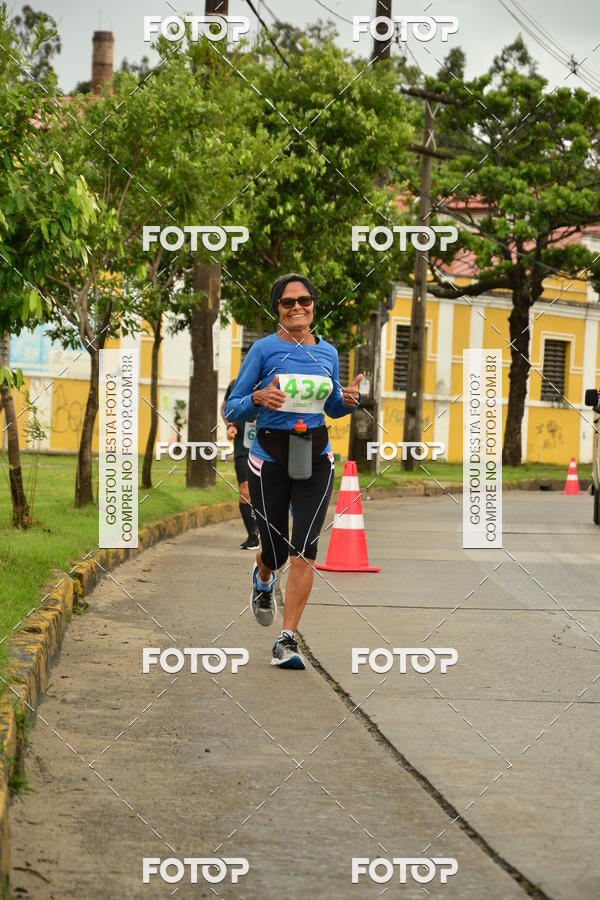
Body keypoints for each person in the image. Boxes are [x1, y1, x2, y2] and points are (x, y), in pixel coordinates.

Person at [224, 273, 363, 669]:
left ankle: (286, 640)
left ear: (314, 305)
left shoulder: (329, 353)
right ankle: (263, 577)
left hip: (315, 454)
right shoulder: (263, 350)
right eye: (288, 302)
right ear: (278, 309)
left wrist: (349, 400)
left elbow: (331, 405)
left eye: (305, 300)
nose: (298, 307)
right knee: (275, 550)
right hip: (269, 457)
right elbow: (232, 407)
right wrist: (256, 397)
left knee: (304, 547)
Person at [221, 379, 259, 550]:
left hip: (266, 446)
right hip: (243, 447)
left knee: (263, 491)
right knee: (245, 490)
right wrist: (230, 425)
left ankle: (261, 528)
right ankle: (252, 535)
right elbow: (224, 407)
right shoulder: (236, 384)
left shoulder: (269, 381)